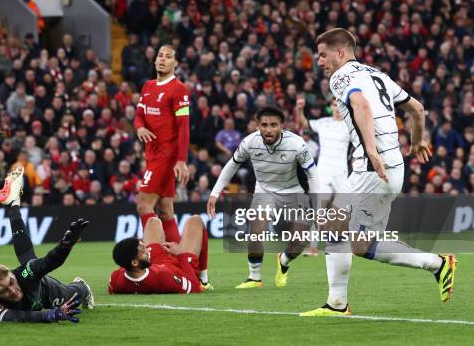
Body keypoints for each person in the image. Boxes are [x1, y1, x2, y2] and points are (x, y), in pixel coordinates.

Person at [300, 28, 456, 317]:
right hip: (392, 167)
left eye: (323, 55)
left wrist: (371, 150)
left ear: (341, 53)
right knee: (361, 243)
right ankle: (438, 264)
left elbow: (360, 105)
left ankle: (337, 304)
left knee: (332, 223)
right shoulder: (377, 75)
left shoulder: (341, 76)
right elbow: (418, 109)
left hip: (373, 166)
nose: (319, 62)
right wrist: (418, 139)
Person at [207, 107, 319, 289]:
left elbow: (313, 175)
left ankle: (283, 260)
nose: (268, 129)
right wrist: (214, 192)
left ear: (282, 126)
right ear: (257, 125)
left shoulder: (297, 144)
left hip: (294, 191)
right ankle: (254, 277)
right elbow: (232, 165)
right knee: (256, 231)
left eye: (273, 125)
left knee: (300, 241)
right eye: (264, 125)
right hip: (265, 191)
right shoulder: (250, 142)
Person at [134, 45, 212, 289]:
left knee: (143, 204)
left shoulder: (179, 90)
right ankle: (184, 263)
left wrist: (180, 160)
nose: (162, 60)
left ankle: (154, 260)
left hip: (166, 155)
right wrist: (139, 128)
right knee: (166, 210)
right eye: (159, 55)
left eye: (168, 57)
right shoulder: (147, 86)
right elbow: (139, 114)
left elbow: (184, 128)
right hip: (152, 154)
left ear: (175, 64)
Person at [0, 166, 94, 323]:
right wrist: (49, 315)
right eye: (4, 290)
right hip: (34, 300)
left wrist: (65, 246)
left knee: (71, 296)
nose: (12, 290)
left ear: (12, 274)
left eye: (11, 282)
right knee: (28, 258)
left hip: (46, 291)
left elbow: (48, 262)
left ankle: (82, 286)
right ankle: (13, 206)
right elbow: (17, 317)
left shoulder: (25, 274)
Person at [295, 97, 350, 255]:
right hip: (324, 172)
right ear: (331, 107)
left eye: (341, 105)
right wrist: (299, 109)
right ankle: (313, 248)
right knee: (319, 209)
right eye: (335, 105)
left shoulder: (350, 125)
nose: (338, 108)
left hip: (341, 173)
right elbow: (303, 124)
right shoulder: (323, 122)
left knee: (345, 211)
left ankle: (343, 245)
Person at [109, 214, 209, 294]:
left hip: (154, 263)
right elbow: (194, 288)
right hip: (181, 268)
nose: (147, 250)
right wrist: (180, 254)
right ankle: (204, 280)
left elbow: (117, 282)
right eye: (143, 251)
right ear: (135, 263)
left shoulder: (116, 279)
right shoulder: (162, 278)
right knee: (195, 220)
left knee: (153, 221)